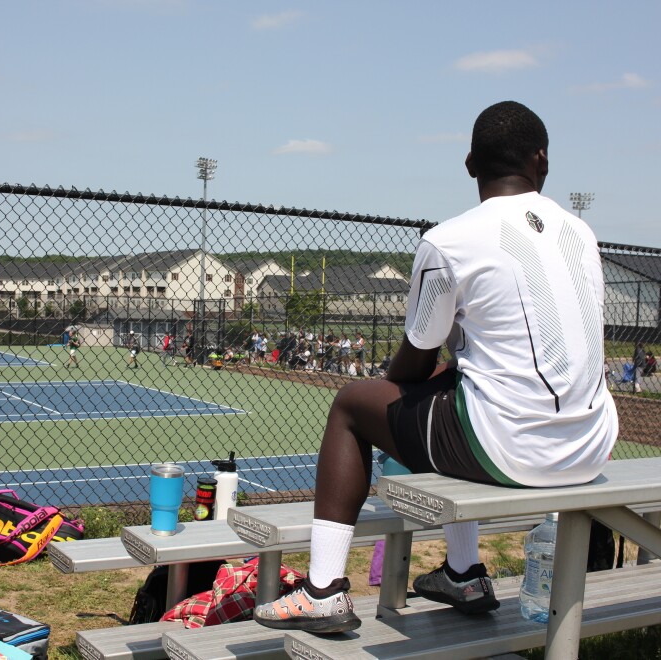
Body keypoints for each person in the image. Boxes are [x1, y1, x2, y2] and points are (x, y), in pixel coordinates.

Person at [253, 101, 618, 634]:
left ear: (470, 164)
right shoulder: (580, 234)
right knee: (443, 396)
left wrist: (387, 382)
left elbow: (416, 358)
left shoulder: (449, 240)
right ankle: (463, 573)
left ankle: (323, 590)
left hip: (513, 449)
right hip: (591, 445)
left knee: (356, 404)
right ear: (543, 161)